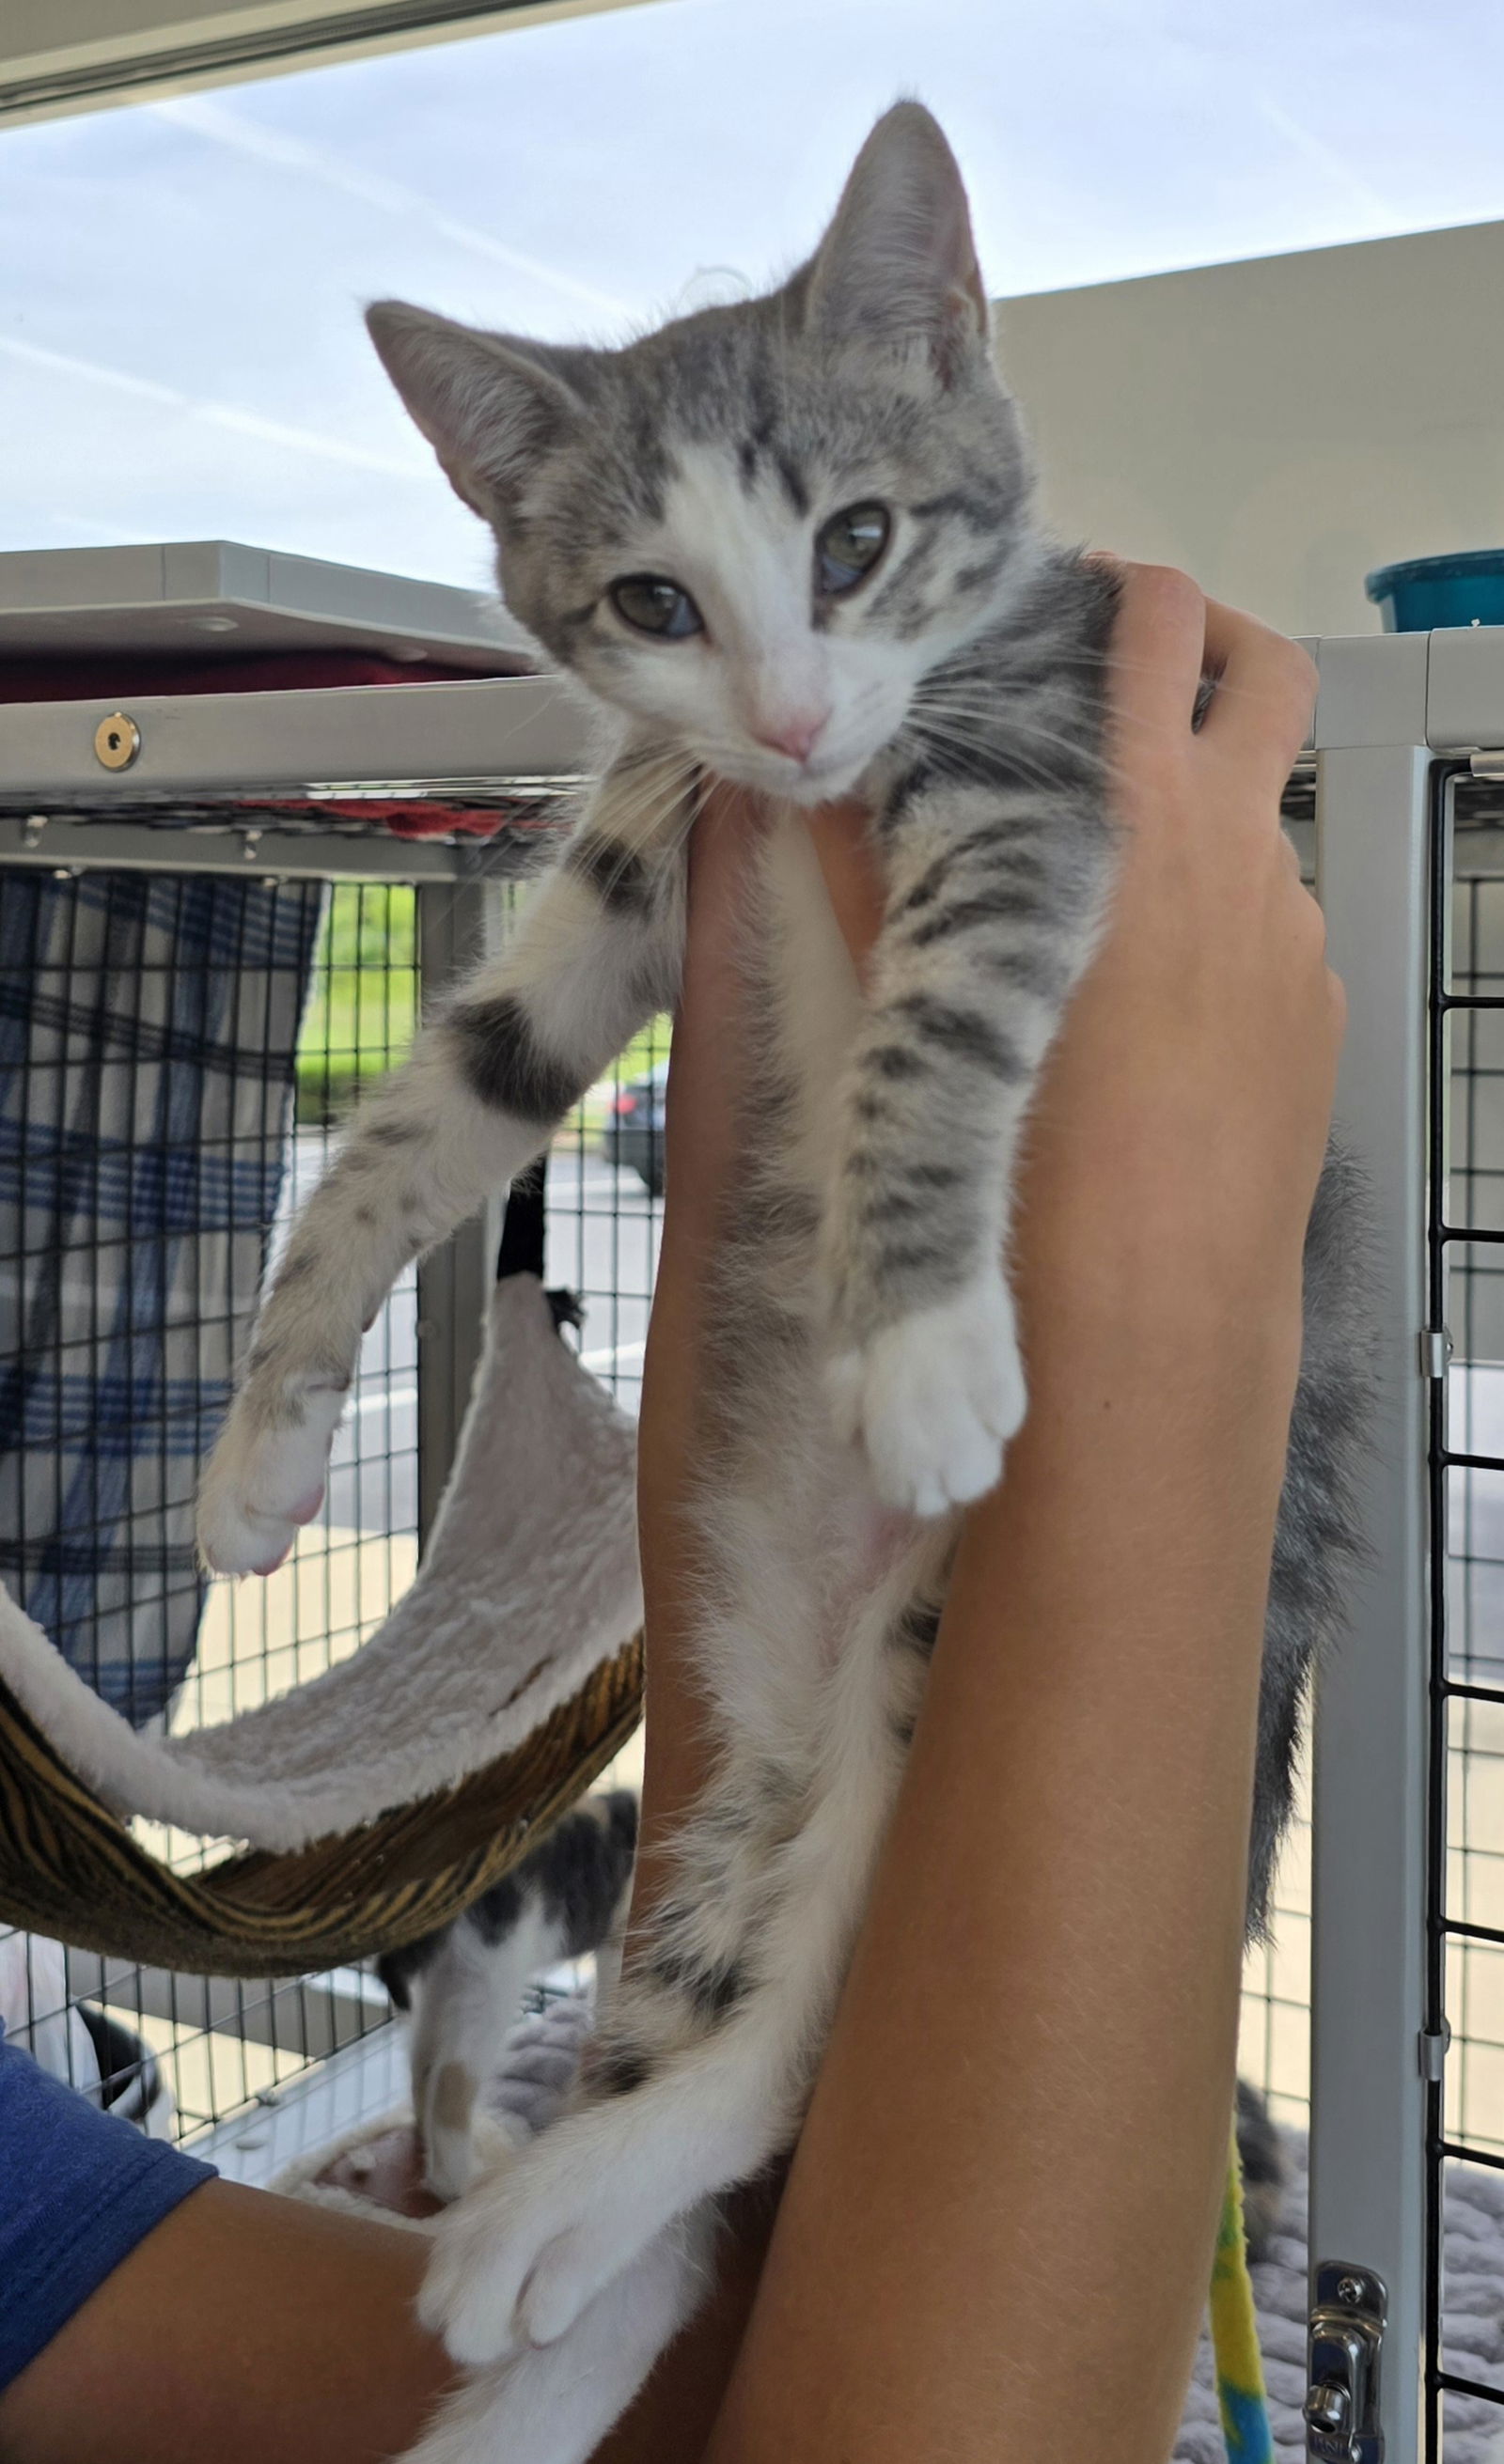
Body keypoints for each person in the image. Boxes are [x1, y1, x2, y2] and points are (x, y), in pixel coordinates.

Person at [0, 559, 1336, 2464]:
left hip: (908, 1396)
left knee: (805, 1784)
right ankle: (694, 2115)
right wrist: (1169, 1305)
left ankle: (699, 2113)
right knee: (799, 1742)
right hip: (1017, 1373)